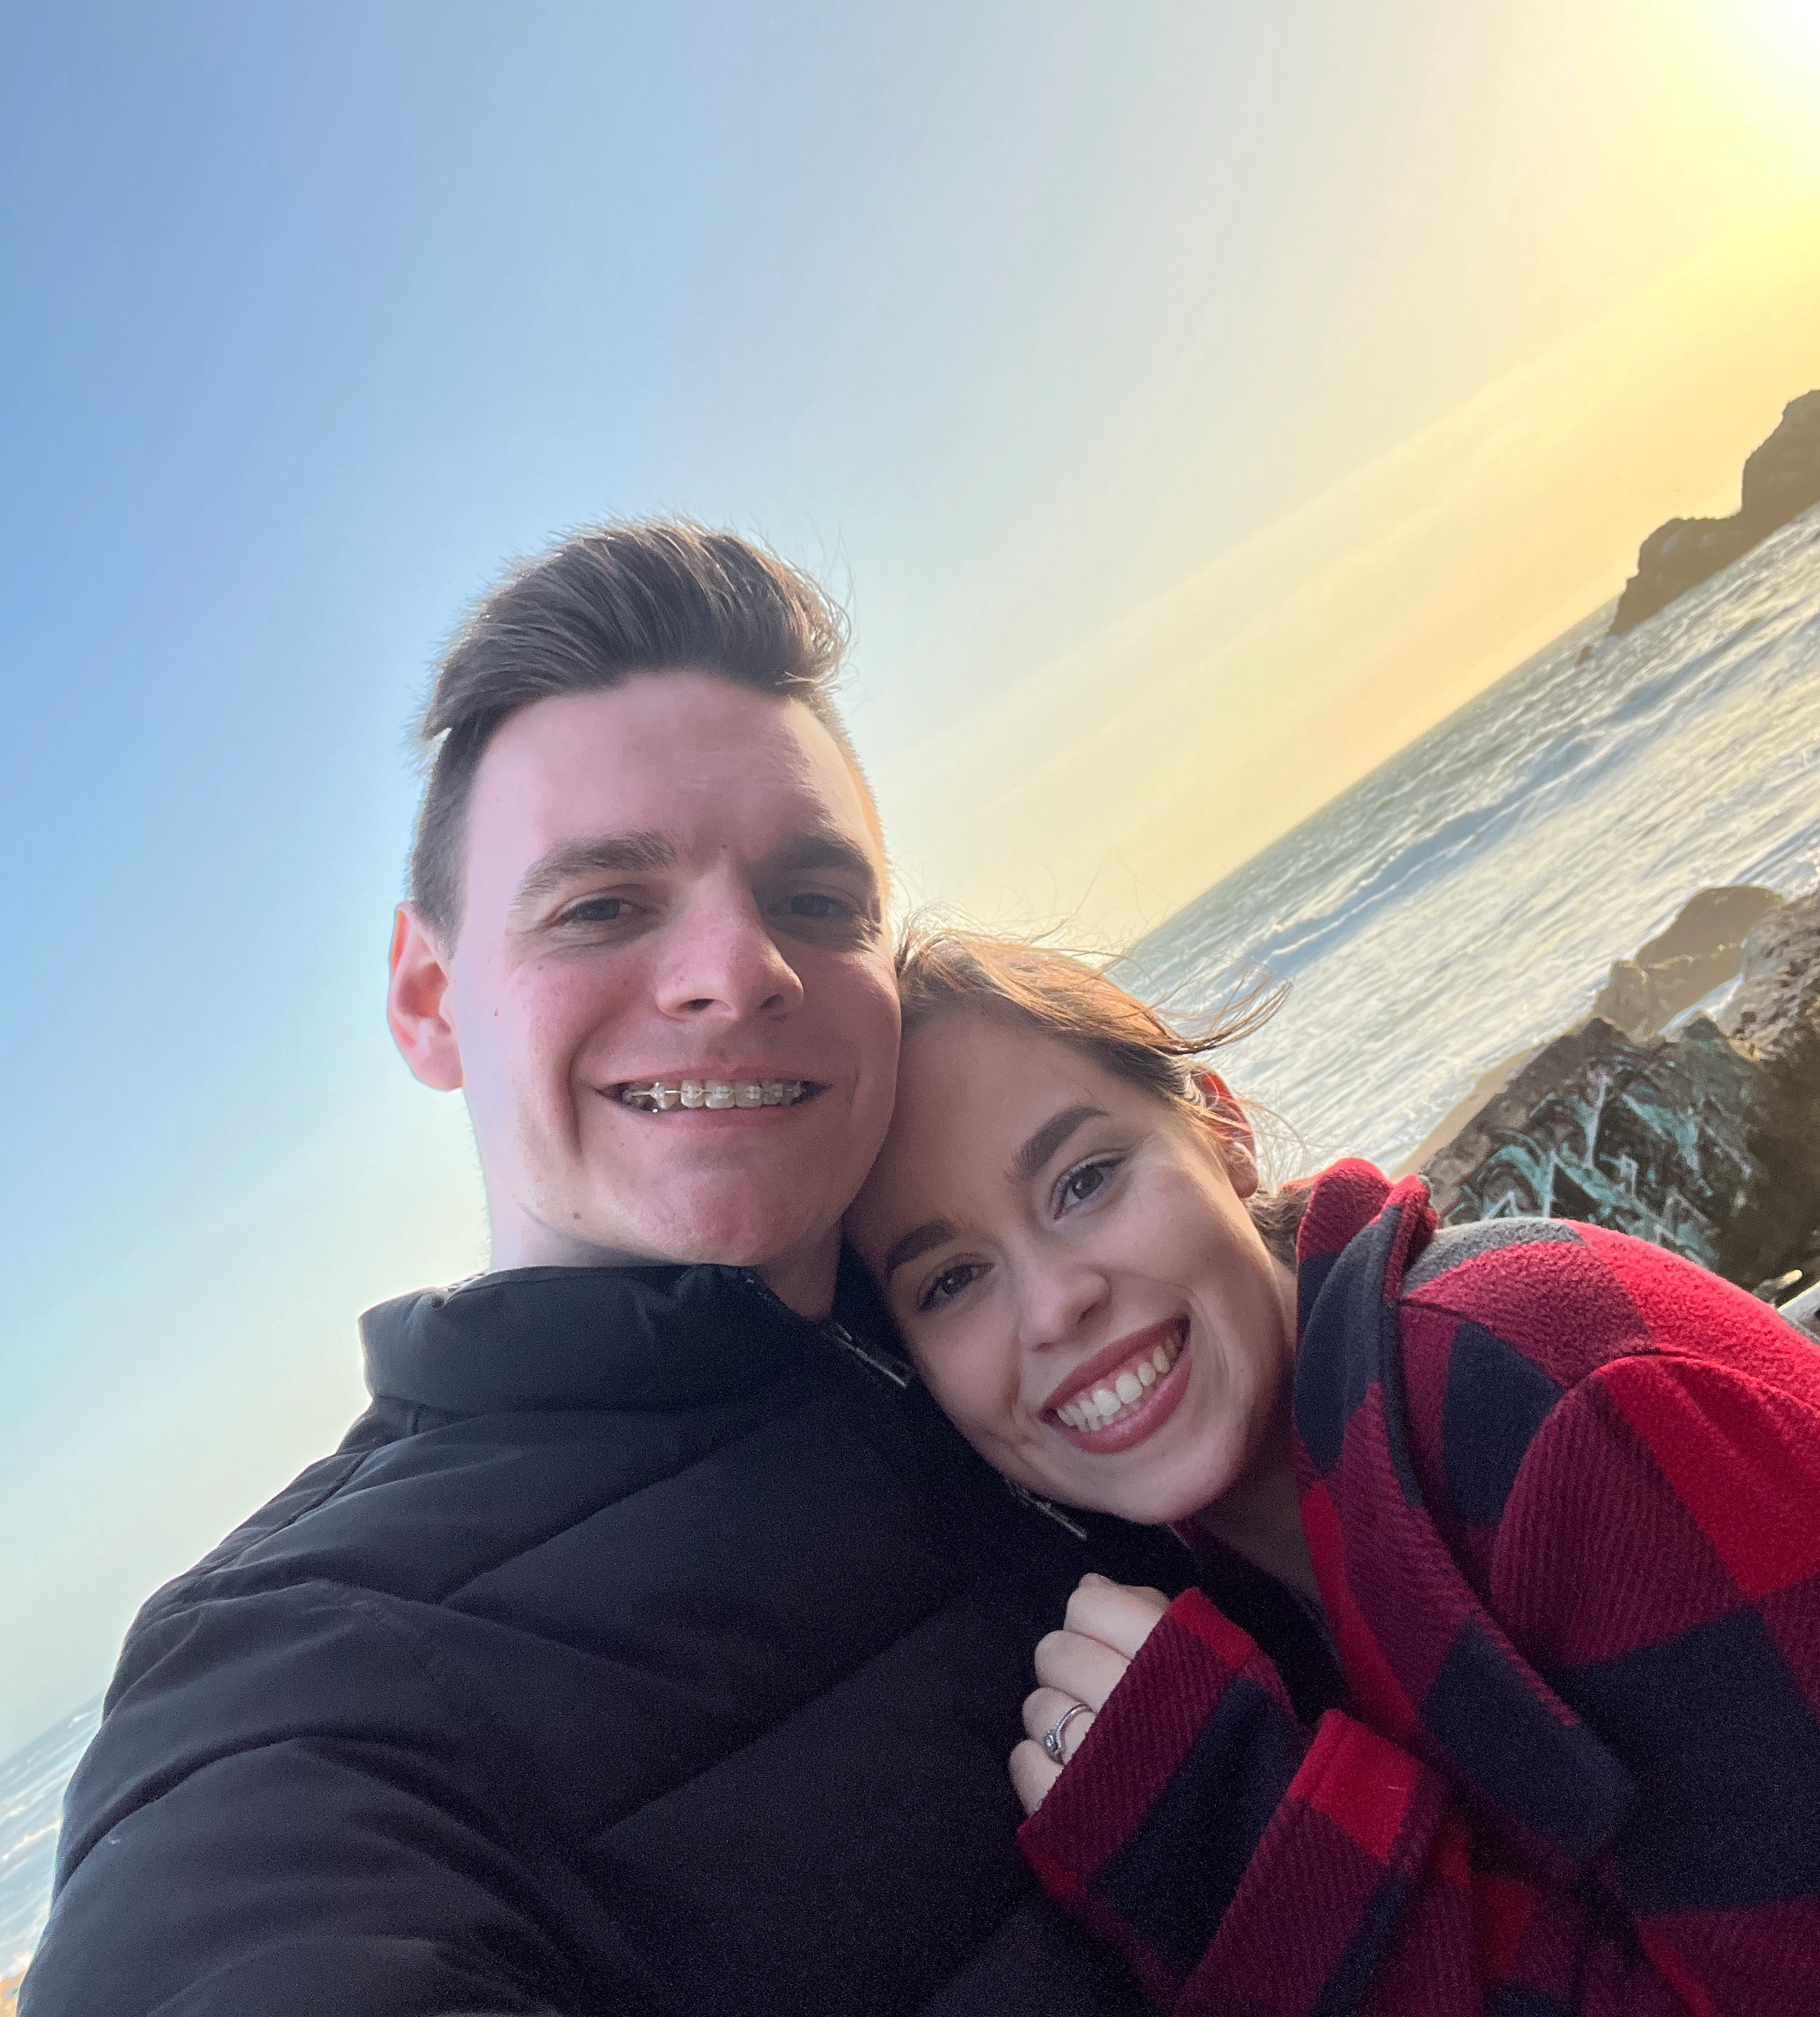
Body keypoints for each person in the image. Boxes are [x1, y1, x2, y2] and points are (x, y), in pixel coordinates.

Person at [25, 525, 1191, 2017]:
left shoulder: (1032, 1336)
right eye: (601, 905)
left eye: (818, 903)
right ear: (430, 1000)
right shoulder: (303, 1677)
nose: (733, 966)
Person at [846, 928, 1820, 2016]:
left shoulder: (1552, 1408)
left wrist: (1261, 1861)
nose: (1052, 1304)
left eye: (1085, 1180)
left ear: (1222, 1130)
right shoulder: (1231, 1579)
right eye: (950, 1281)